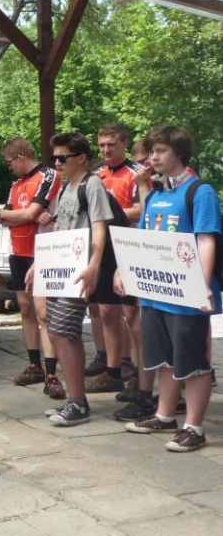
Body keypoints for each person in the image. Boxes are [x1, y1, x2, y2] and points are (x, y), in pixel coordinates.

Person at [119, 125, 219, 451]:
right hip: (156, 293)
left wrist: (202, 285)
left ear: (180, 152)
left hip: (187, 294)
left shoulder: (199, 191)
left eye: (160, 150)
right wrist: (123, 270)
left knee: (193, 361)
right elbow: (144, 238)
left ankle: (194, 427)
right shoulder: (155, 194)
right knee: (163, 359)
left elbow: (206, 239)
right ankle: (164, 416)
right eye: (151, 151)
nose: (153, 157)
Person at [29, 132, 112, 426]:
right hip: (59, 269)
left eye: (62, 158)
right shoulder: (66, 187)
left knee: (64, 333)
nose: (57, 163)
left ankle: (78, 402)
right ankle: (76, 397)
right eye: (54, 158)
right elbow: (58, 230)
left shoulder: (92, 185)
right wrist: (38, 263)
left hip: (76, 271)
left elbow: (99, 228)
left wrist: (93, 266)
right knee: (57, 332)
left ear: (81, 158)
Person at [0, 138, 64, 400]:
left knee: (43, 312)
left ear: (20, 157)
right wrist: (25, 214)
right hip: (18, 251)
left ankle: (52, 373)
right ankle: (34, 365)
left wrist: (26, 214)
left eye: (10, 162)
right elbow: (2, 217)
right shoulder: (16, 185)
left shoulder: (48, 175)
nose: (10, 168)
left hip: (42, 250)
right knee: (25, 308)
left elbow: (26, 214)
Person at [86, 124, 143, 400]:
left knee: (131, 314)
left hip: (131, 248)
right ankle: (114, 368)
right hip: (104, 250)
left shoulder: (137, 172)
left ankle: (138, 370)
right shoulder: (96, 175)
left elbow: (142, 209)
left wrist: (107, 213)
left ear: (124, 144)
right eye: (102, 145)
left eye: (112, 144)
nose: (106, 150)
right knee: (107, 311)